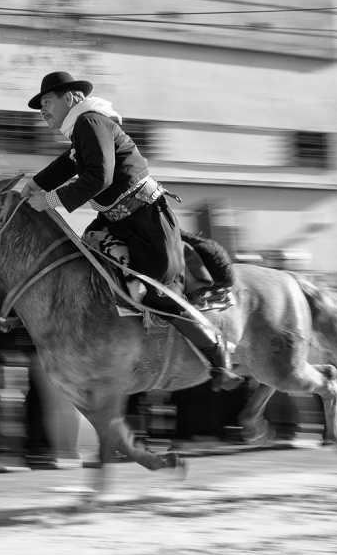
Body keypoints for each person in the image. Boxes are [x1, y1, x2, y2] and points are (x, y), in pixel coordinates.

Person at [20, 71, 243, 391]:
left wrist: (50, 199)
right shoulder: (82, 130)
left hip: (146, 221)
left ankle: (216, 352)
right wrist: (31, 186)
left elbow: (99, 179)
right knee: (85, 270)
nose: (42, 111)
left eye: (46, 101)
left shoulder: (89, 123)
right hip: (116, 221)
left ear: (69, 98)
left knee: (152, 291)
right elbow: (67, 165)